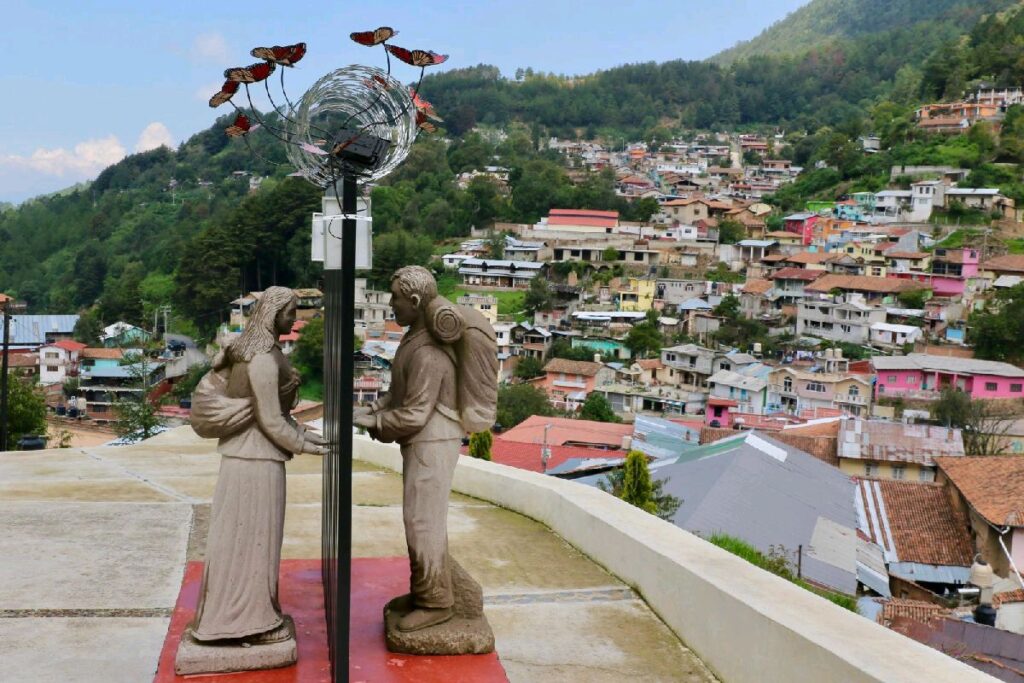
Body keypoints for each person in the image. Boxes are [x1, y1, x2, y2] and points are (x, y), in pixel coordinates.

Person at [189, 286, 326, 643]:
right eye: (290, 311)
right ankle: (245, 621)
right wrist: (310, 446)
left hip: (248, 454)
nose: (294, 318)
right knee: (252, 540)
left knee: (244, 539)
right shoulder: (262, 357)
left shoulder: (258, 351)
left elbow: (276, 413)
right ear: (272, 314)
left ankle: (244, 617)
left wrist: (303, 432)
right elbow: (270, 421)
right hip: (255, 458)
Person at [354, 266, 464, 632]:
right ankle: (425, 592)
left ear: (415, 302)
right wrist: (373, 409)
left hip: (432, 441)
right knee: (419, 520)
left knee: (424, 523)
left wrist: (378, 424)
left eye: (396, 298)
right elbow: (397, 393)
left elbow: (416, 413)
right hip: (421, 440)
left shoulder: (429, 352)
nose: (390, 304)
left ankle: (436, 603)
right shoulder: (413, 339)